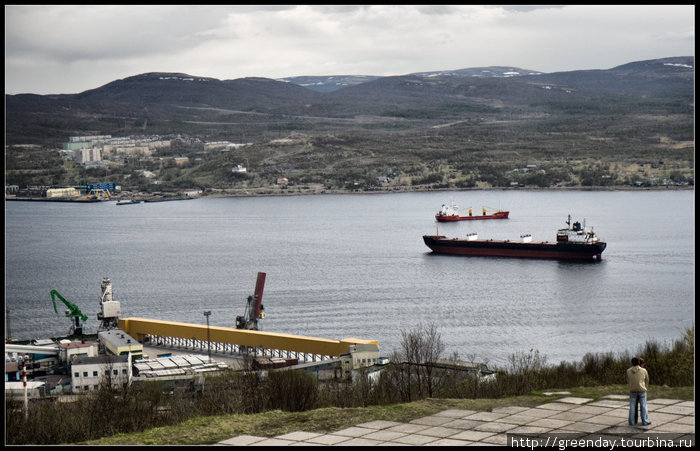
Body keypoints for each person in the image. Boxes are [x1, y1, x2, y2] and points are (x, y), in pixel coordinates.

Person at [627, 357, 651, 426]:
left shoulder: (628, 371)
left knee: (632, 407)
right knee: (643, 406)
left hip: (632, 390)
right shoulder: (644, 370)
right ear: (639, 362)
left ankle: (632, 421)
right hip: (642, 390)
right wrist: (645, 387)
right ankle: (644, 421)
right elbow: (647, 380)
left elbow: (628, 380)